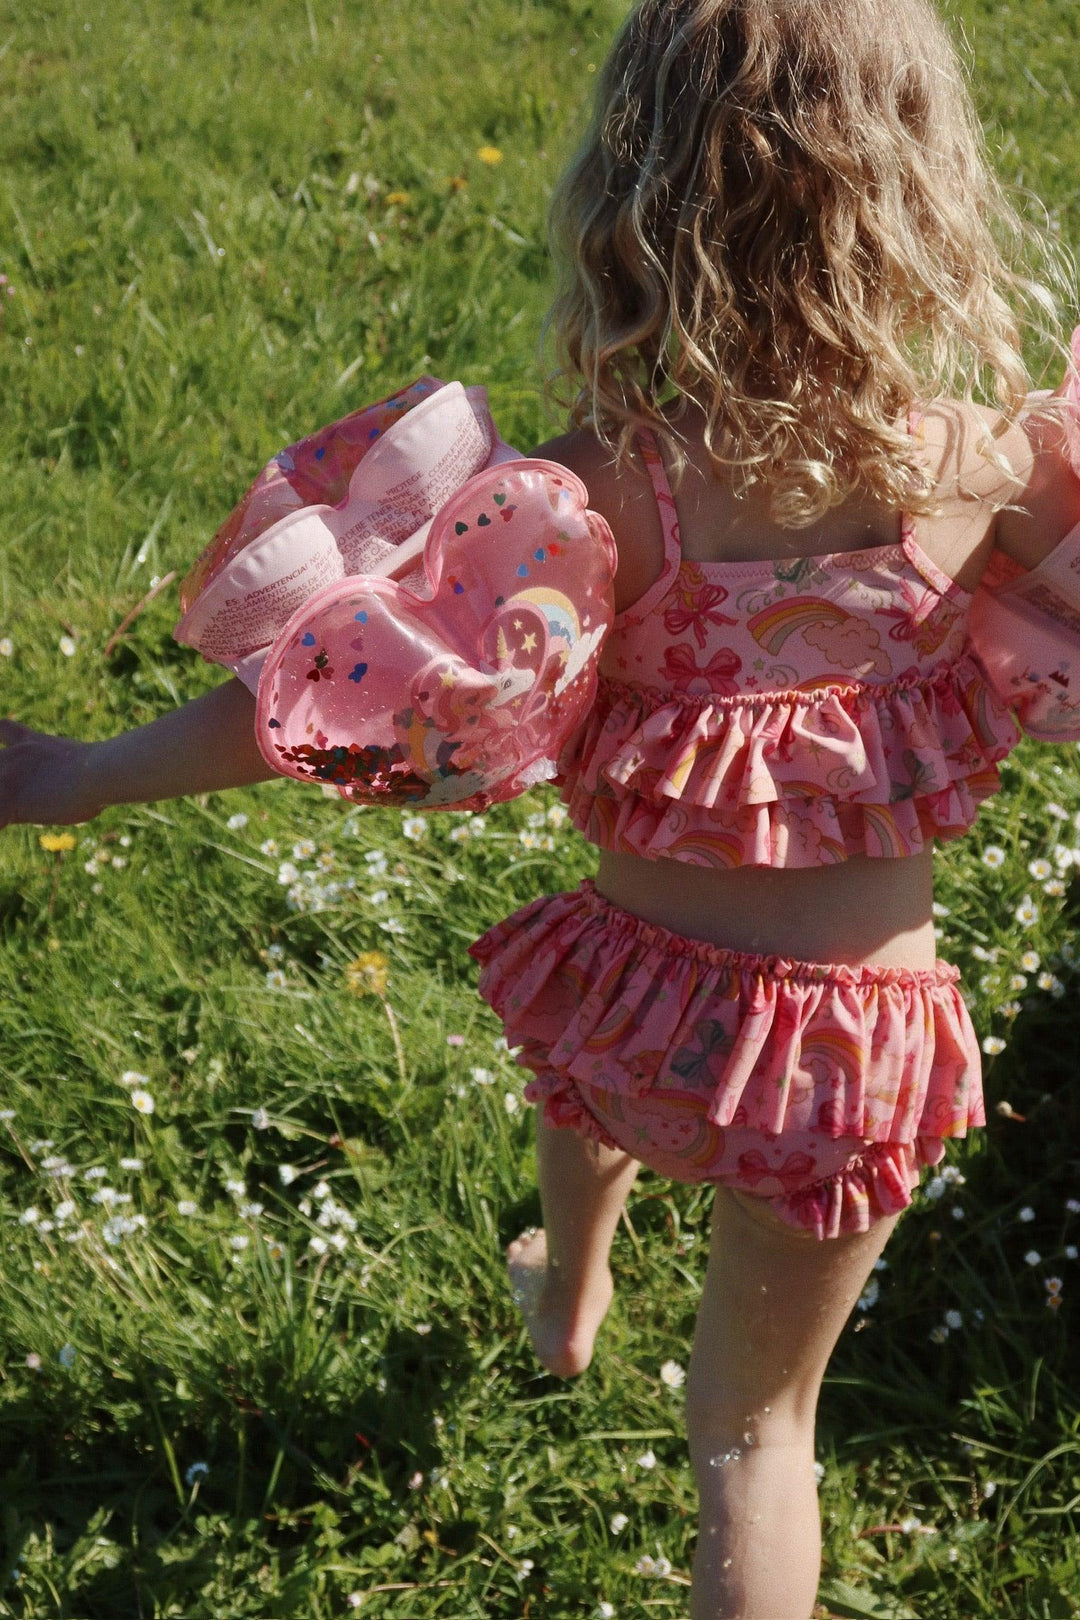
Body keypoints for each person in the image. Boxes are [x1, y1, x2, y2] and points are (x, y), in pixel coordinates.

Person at [1, 2, 1078, 1616]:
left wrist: (83, 773)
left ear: (631, 194)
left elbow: (351, 680)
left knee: (587, 1086)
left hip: (635, 996)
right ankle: (580, 1307)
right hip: (857, 1051)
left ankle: (565, 1299)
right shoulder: (975, 469)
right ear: (920, 186)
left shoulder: (614, 485)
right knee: (752, 1434)